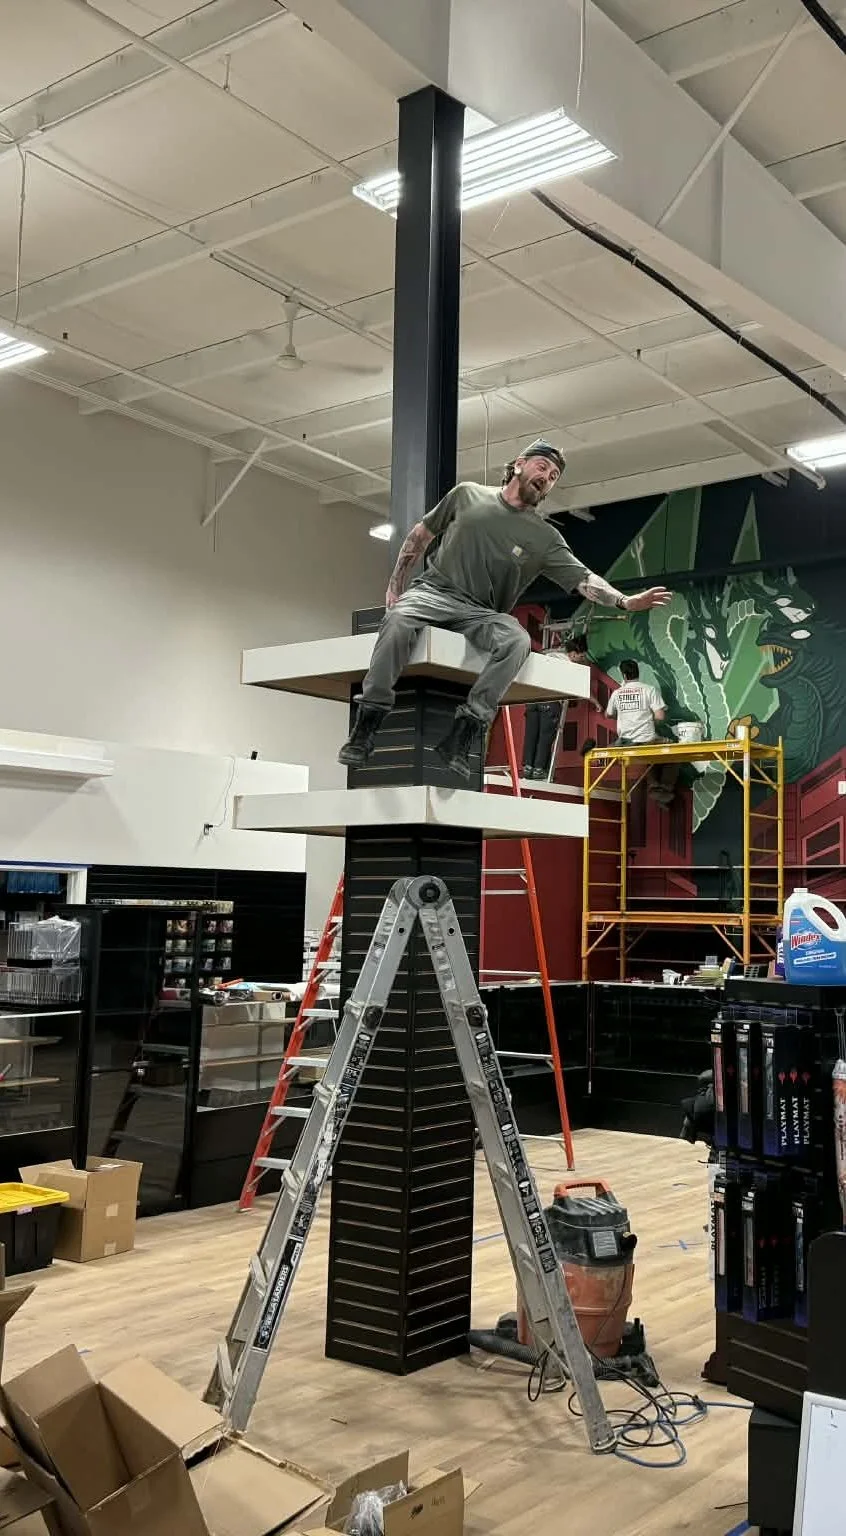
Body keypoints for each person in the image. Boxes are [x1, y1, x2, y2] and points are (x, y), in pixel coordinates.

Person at [339, 441, 672, 778]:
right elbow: (421, 535)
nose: (547, 478)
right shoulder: (468, 495)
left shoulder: (543, 537)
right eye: (542, 467)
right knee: (397, 621)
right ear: (519, 466)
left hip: (482, 612)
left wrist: (624, 601)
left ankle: (465, 730)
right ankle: (368, 725)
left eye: (554, 476)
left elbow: (585, 578)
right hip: (434, 592)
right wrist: (396, 582)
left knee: (517, 640)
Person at [522, 633, 591, 781]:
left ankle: (527, 768)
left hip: (531, 700)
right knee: (545, 738)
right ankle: (539, 770)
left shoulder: (549, 656)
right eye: (581, 656)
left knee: (531, 735)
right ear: (573, 654)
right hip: (550, 702)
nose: (582, 660)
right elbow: (578, 688)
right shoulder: (569, 665)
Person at [606, 659, 675, 803]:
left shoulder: (617, 693)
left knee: (646, 755)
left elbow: (608, 714)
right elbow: (660, 716)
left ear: (624, 676)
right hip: (647, 740)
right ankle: (664, 789)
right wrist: (648, 720)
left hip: (625, 742)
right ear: (638, 672)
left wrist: (625, 714)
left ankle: (654, 786)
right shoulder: (649, 689)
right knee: (674, 752)